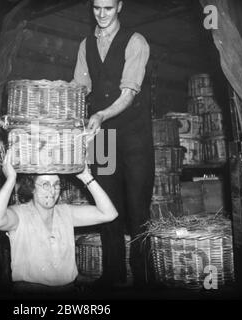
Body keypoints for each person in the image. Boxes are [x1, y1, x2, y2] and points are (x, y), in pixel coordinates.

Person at [73, 0, 154, 289]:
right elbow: (79, 89)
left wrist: (101, 114)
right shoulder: (85, 45)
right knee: (106, 204)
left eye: (108, 7)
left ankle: (145, 280)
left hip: (134, 137)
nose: (102, 14)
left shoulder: (135, 42)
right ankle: (112, 276)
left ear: (120, 6)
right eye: (96, 8)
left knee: (137, 208)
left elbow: (129, 93)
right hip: (102, 138)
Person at [0, 151, 118, 294]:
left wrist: (86, 177)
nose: (52, 191)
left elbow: (109, 214)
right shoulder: (19, 215)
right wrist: (11, 179)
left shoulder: (66, 212)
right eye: (45, 185)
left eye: (56, 185)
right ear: (32, 188)